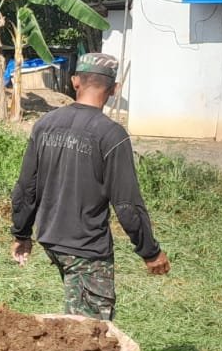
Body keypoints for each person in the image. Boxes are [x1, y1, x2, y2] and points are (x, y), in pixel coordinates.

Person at [10, 52, 169, 319]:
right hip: (85, 248)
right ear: (115, 89)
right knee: (91, 333)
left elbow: (26, 187)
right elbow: (127, 204)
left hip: (52, 239)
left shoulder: (45, 125)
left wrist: (21, 234)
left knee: (78, 318)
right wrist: (150, 252)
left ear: (74, 82)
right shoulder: (111, 135)